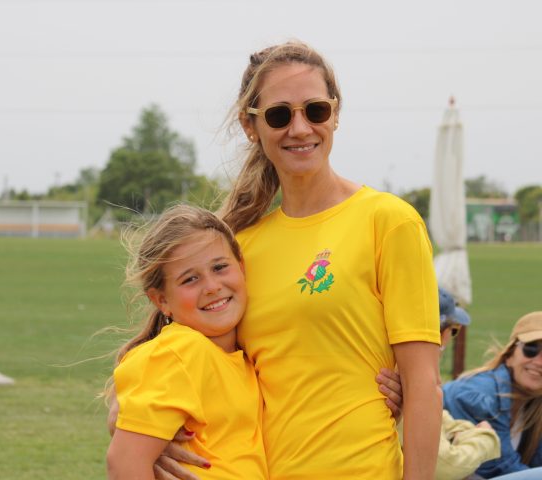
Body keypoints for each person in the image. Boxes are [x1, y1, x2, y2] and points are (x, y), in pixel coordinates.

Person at [110, 40, 442, 480]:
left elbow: (423, 385)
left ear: (335, 114)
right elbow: (184, 363)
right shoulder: (238, 251)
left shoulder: (389, 221)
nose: (300, 128)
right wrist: (128, 419)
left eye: (315, 110)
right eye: (279, 115)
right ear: (251, 126)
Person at [106, 205, 268, 479]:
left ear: (241, 267)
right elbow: (124, 462)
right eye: (190, 279)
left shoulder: (241, 359)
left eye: (219, 267)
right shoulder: (180, 351)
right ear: (162, 300)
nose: (212, 286)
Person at [385, 287, 501, 480]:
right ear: (440, 334)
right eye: (453, 330)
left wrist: (462, 435)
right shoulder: (409, 377)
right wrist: (485, 438)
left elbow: (444, 420)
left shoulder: (393, 367)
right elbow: (448, 467)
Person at [443, 312, 542, 479]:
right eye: (531, 349)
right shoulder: (478, 396)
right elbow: (499, 468)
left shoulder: (535, 404)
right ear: (510, 355)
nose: (539, 362)